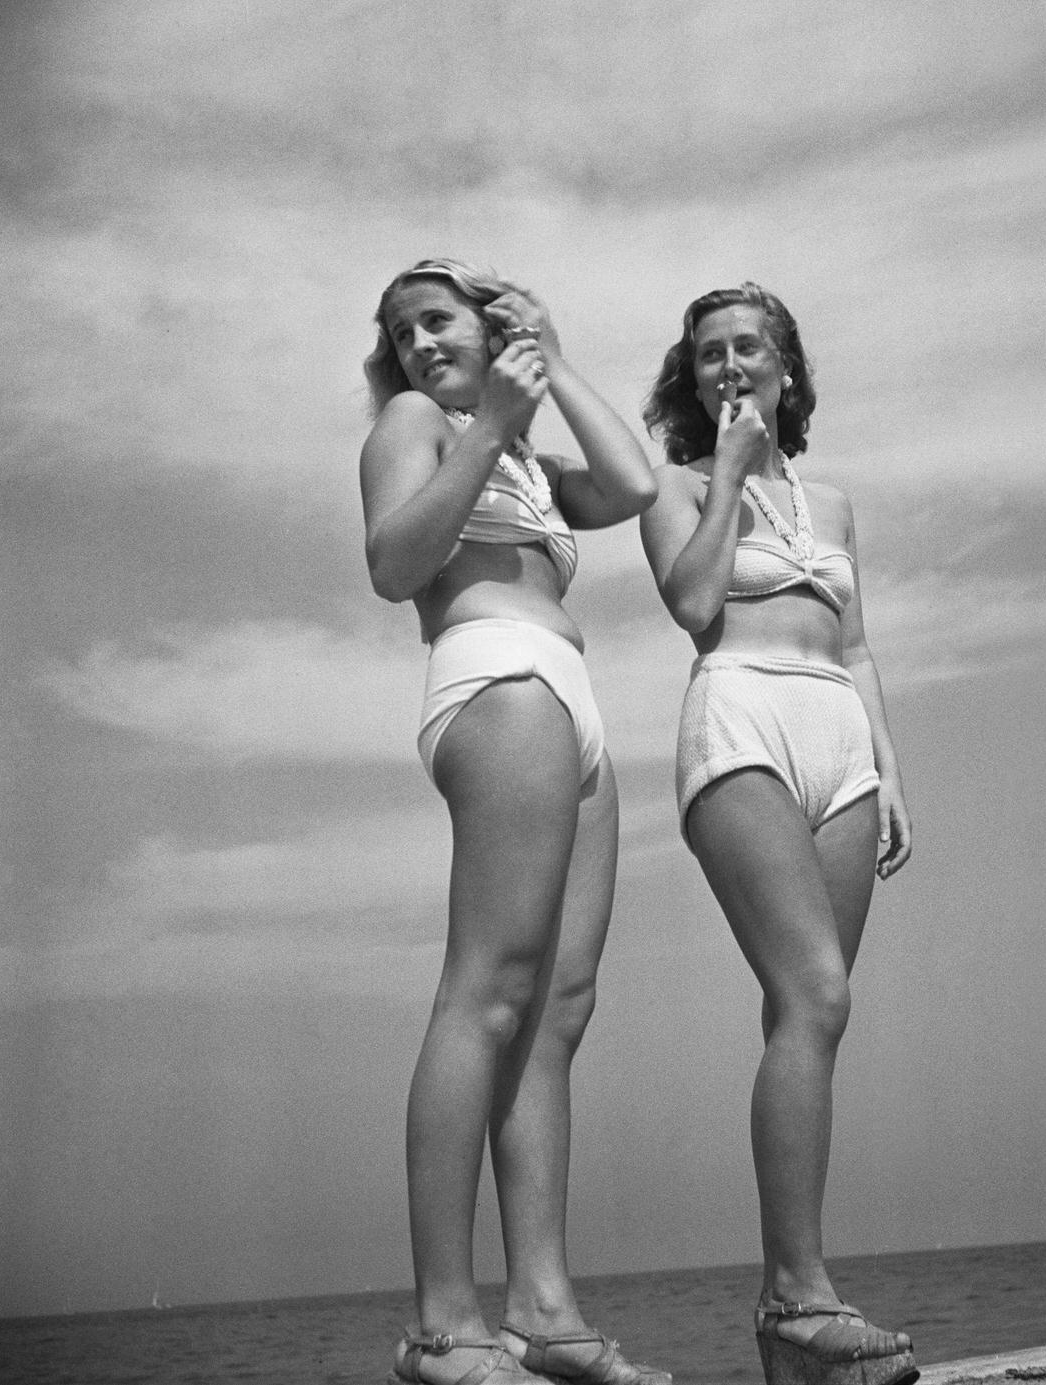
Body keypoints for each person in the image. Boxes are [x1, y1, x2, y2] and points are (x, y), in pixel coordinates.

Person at [360, 258, 667, 1385]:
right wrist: (485, 422)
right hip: (494, 676)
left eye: (435, 322)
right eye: (401, 333)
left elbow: (633, 485)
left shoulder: (527, 450)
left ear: (489, 330)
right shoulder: (413, 422)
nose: (417, 346)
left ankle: (542, 1306)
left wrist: (553, 355)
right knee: (485, 990)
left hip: (568, 689)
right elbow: (394, 563)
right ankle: (445, 1322)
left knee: (556, 1010)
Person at [639, 284, 919, 1385]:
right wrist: (727, 467)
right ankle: (801, 1297)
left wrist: (888, 769)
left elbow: (856, 646)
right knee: (816, 994)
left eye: (747, 346)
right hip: (739, 712)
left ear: (786, 367)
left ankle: (786, 1323)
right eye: (707, 353)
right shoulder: (671, 487)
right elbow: (692, 596)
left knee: (805, 1014)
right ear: (689, 377)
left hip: (837, 737)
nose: (728, 364)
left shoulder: (835, 506)